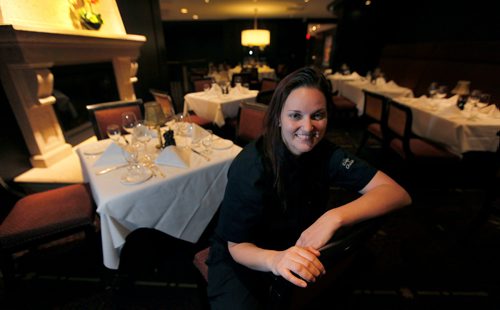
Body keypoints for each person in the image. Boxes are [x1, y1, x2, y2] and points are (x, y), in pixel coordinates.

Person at [206, 67, 411, 309]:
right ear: (277, 118)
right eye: (295, 115)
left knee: (359, 264)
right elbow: (237, 246)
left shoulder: (326, 153)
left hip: (295, 240)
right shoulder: (251, 166)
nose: (308, 127)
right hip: (247, 254)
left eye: (318, 115)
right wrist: (275, 259)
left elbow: (397, 193)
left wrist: (334, 217)